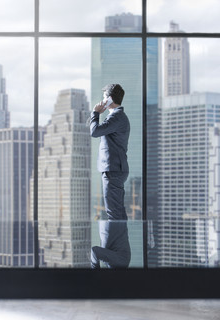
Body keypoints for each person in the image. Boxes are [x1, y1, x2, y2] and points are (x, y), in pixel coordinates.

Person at [89, 83, 131, 269]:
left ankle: (113, 250)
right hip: (115, 168)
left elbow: (95, 131)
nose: (103, 101)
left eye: (105, 97)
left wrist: (95, 113)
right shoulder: (117, 117)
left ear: (111, 99)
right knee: (117, 211)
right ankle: (116, 248)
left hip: (113, 169)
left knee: (114, 212)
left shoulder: (117, 117)